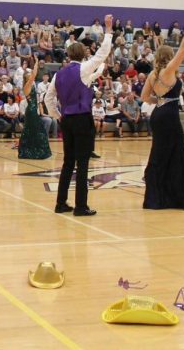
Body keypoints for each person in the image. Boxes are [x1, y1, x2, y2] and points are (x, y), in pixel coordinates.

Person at [45, 14, 114, 216]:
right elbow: (101, 54)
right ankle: (81, 206)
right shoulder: (83, 68)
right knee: (82, 163)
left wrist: (58, 115)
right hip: (82, 119)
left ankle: (61, 203)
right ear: (83, 54)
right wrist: (108, 30)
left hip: (66, 120)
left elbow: (48, 99)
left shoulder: (59, 74)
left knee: (68, 162)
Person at [140, 6, 184, 211]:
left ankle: (155, 198)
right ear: (169, 56)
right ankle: (176, 197)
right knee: (176, 154)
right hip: (169, 116)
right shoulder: (168, 70)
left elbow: (143, 97)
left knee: (158, 154)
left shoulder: (152, 75)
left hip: (158, 114)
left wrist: (158, 101)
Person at [18, 67, 51, 159]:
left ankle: (30, 151)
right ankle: (35, 152)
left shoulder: (31, 85)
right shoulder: (27, 86)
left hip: (32, 111)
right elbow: (34, 75)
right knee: (38, 131)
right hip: (31, 111)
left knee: (32, 131)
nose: (31, 76)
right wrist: (36, 63)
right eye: (29, 75)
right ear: (27, 78)